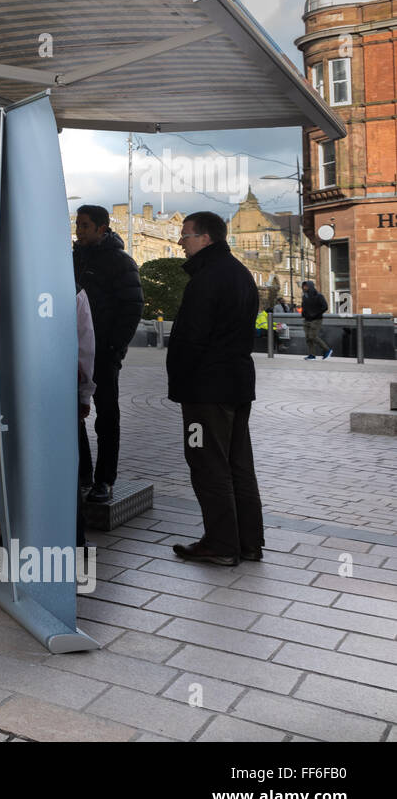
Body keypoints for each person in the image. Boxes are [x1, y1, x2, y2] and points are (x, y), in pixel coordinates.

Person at [167, 211, 264, 566]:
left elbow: (191, 339)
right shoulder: (239, 274)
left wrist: (180, 382)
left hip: (205, 391)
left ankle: (221, 544)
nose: (181, 242)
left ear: (206, 238)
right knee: (238, 464)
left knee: (207, 463)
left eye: (186, 235)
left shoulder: (206, 278)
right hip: (236, 385)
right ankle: (249, 542)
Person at [73, 205, 143, 505]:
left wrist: (114, 348)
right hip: (70, 353)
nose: (79, 230)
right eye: (78, 224)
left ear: (102, 228)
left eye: (85, 225)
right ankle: (82, 475)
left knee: (106, 416)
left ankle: (104, 480)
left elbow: (132, 308)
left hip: (103, 353)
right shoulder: (70, 258)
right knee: (71, 415)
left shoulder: (120, 262)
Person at [75, 279, 96, 547]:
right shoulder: (75, 289)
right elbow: (85, 345)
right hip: (61, 387)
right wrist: (84, 393)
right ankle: (74, 538)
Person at [300, 280, 332, 360]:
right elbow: (304, 307)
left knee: (312, 336)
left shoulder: (319, 296)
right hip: (306, 319)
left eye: (306, 286)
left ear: (310, 286)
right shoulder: (304, 296)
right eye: (303, 286)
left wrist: (315, 314)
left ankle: (327, 350)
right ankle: (312, 355)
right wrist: (303, 314)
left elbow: (325, 307)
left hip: (316, 319)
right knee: (308, 338)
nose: (304, 288)